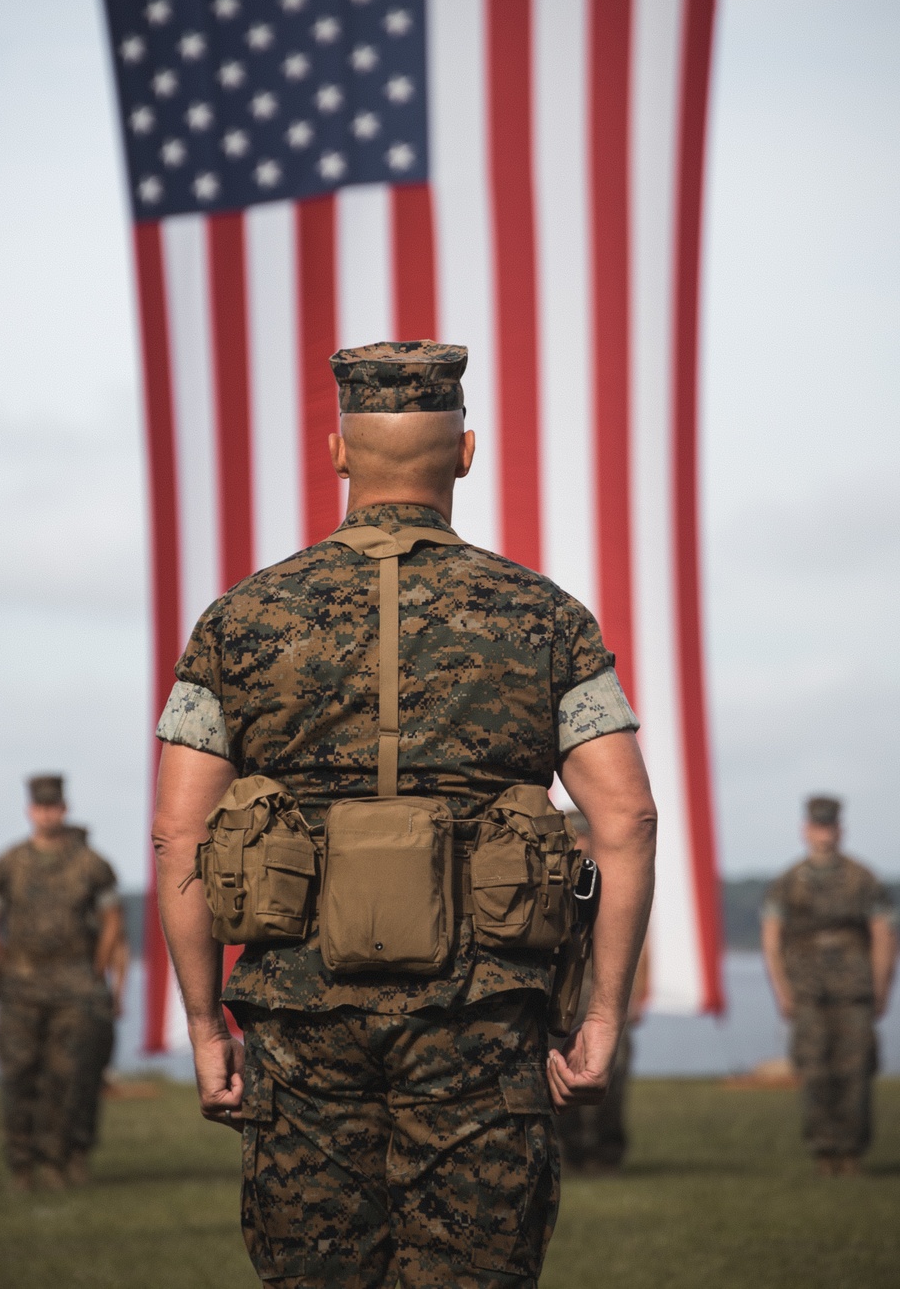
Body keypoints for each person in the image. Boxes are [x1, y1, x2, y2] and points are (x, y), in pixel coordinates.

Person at [152, 341, 657, 1287]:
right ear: (466, 452)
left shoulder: (241, 620)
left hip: (300, 1027)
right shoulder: (545, 618)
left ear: (339, 453)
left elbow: (180, 834)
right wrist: (602, 1015)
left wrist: (206, 1029)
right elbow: (625, 820)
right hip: (484, 1021)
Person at [0, 774, 125, 1191]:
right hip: (22, 987)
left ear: (64, 809)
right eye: (40, 807)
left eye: (54, 807)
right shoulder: (6, 865)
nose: (47, 814)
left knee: (70, 1076)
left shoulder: (91, 864)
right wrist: (6, 965)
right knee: (18, 1074)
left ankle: (60, 1161)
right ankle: (21, 1165)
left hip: (75, 986)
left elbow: (113, 921)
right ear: (30, 811)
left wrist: (97, 970)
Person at [761, 795, 897, 1176]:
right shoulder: (788, 882)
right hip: (807, 992)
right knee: (815, 1069)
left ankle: (851, 1152)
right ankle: (824, 1151)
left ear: (841, 830)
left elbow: (884, 936)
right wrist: (782, 991)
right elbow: (772, 940)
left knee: (855, 1071)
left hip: (853, 991)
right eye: (818, 827)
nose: (824, 835)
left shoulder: (863, 879)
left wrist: (882, 987)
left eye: (830, 827)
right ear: (806, 830)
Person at [552, 810, 649, 1174]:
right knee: (559, 1071)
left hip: (603, 993)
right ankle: (572, 1151)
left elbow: (639, 943)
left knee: (613, 1072)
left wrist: (634, 996)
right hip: (562, 995)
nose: (578, 845)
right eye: (572, 838)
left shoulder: (612, 884)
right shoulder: (552, 882)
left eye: (583, 838)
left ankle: (608, 1152)